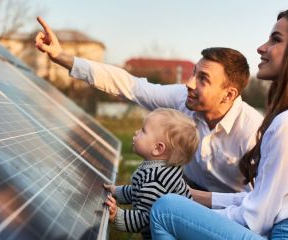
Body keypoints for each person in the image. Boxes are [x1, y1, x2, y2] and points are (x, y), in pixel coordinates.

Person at [35, 17, 263, 193]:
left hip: (231, 211)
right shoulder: (182, 98)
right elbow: (129, 85)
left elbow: (260, 201)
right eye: (194, 73)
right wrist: (61, 57)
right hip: (187, 189)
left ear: (228, 94)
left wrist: (191, 198)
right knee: (152, 178)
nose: (190, 83)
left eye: (203, 79)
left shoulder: (253, 131)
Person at [150, 9, 288, 239]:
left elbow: (256, 219)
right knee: (175, 203)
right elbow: (261, 200)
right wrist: (192, 197)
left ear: (229, 94)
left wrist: (192, 217)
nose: (262, 47)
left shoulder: (280, 125)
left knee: (166, 210)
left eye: (276, 40)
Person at [103, 108, 199, 239]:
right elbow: (139, 192)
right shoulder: (157, 170)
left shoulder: (156, 180)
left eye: (143, 131)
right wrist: (116, 191)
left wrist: (117, 216)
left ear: (158, 148)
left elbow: (145, 219)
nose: (136, 132)